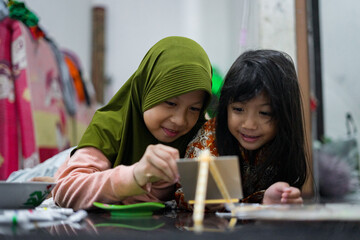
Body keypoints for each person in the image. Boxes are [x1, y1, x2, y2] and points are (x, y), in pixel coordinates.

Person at [52, 36, 213, 210]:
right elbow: (65, 189)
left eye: (194, 109)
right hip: (64, 162)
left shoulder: (200, 136)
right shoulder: (109, 125)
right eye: (170, 103)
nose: (180, 120)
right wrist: (136, 175)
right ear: (146, 90)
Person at [180, 49, 308, 206]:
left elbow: (284, 194)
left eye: (265, 113)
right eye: (238, 109)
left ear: (286, 115)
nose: (249, 124)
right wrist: (206, 199)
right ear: (226, 106)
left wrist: (283, 197)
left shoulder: (283, 144)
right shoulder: (210, 137)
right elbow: (185, 195)